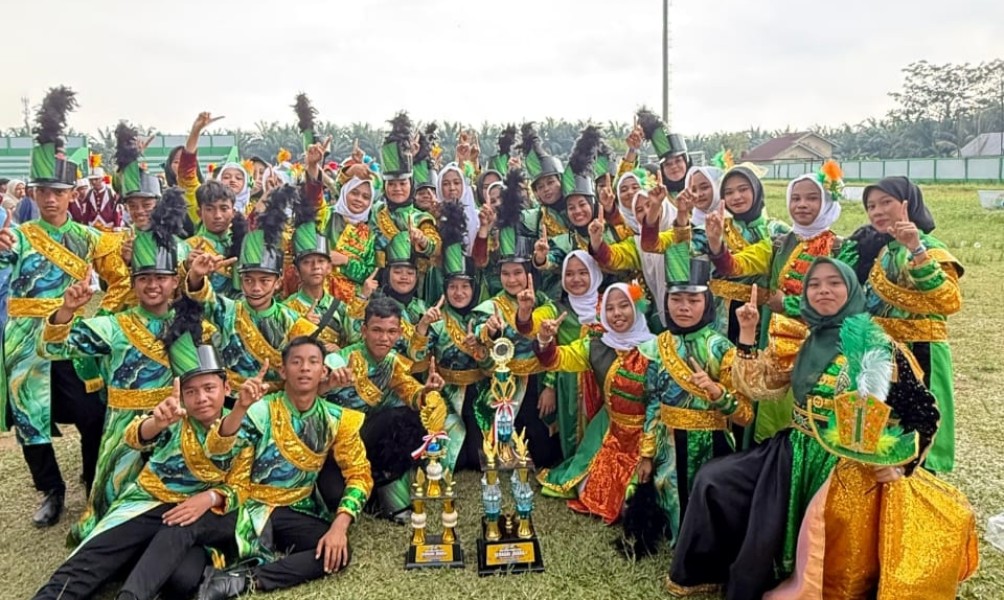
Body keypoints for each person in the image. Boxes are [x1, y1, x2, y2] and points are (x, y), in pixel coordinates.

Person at [667, 258, 978, 599]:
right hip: (793, 450)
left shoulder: (879, 346)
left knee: (828, 535)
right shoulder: (803, 340)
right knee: (715, 479)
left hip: (849, 465)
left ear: (852, 289)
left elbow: (923, 412)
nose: (823, 291)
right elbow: (758, 387)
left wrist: (901, 463)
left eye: (834, 283)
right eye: (814, 284)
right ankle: (712, 570)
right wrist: (747, 332)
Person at [134, 337, 374, 600]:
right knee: (181, 553)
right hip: (244, 507)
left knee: (337, 553)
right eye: (296, 361)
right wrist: (240, 408)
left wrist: (340, 525)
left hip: (293, 510)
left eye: (313, 362)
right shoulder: (260, 410)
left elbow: (359, 475)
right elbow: (218, 448)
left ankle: (243, 580)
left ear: (323, 371)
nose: (305, 368)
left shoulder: (338, 419)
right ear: (283, 371)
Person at [33, 309, 238, 600]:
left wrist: (210, 498)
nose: (201, 398)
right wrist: (156, 423)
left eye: (209, 388)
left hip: (201, 519)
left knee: (182, 579)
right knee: (93, 558)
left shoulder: (246, 424)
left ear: (226, 387)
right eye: (191, 391)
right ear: (181, 393)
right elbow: (135, 436)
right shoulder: (176, 418)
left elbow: (249, 486)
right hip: (149, 502)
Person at [0, 86, 130, 528]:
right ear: (33, 194)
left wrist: (103, 320)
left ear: (72, 194)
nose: (50, 199)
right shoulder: (18, 236)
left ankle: (93, 478)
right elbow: (4, 259)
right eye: (42, 191)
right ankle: (51, 490)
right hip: (24, 337)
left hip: (72, 334)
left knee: (92, 411)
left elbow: (119, 280)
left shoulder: (90, 238)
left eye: (58, 191)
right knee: (29, 416)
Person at [37, 189, 190, 545]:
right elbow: (51, 346)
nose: (153, 285)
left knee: (172, 503)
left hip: (173, 423)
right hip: (123, 425)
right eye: (144, 278)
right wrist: (66, 310)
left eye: (161, 278)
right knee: (110, 500)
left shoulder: (191, 325)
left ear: (174, 281)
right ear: (133, 283)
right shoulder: (115, 325)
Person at [707, 164, 845, 442]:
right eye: (796, 198)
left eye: (812, 198)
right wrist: (716, 244)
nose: (802, 205)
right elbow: (737, 265)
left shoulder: (841, 248)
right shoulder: (780, 243)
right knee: (770, 407)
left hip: (819, 341)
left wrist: (790, 305)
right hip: (775, 338)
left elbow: (842, 300)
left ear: (827, 201)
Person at [837, 176, 963, 474]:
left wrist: (916, 249)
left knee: (918, 428)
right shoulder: (881, 250)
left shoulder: (930, 248)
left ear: (909, 204)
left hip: (921, 353)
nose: (877, 211)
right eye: (871, 206)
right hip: (882, 352)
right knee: (884, 430)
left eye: (886, 202)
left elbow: (949, 301)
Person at [533, 283, 655, 524]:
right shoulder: (597, 345)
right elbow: (558, 359)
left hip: (650, 431)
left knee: (638, 499)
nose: (617, 313)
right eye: (610, 308)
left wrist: (648, 452)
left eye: (623, 306)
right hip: (609, 428)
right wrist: (545, 340)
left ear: (636, 307)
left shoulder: (656, 348)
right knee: (589, 490)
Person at [325, 296, 447, 521]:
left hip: (367, 436)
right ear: (364, 331)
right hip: (333, 444)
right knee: (334, 497)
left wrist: (427, 391)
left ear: (399, 333)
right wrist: (327, 383)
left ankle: (386, 486)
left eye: (391, 331)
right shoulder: (338, 360)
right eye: (377, 330)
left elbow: (410, 390)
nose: (384, 338)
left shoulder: (392, 362)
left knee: (411, 418)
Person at [184, 185, 316, 392]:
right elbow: (204, 296)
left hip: (273, 401)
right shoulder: (229, 310)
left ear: (278, 282)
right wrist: (196, 274)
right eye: (248, 280)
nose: (256, 288)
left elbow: (309, 359)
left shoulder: (291, 319)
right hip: (230, 400)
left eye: (264, 281)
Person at [471, 221, 562, 469]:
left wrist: (550, 387)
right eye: (506, 274)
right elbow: (478, 331)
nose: (511, 280)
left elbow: (554, 344)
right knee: (498, 449)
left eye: (517, 273)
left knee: (546, 455)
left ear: (528, 274)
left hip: (538, 380)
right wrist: (488, 331)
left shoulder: (543, 302)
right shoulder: (493, 305)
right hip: (505, 384)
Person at [409, 202, 490, 471]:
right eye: (453, 287)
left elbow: (494, 366)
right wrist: (422, 328)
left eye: (465, 287)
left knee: (480, 459)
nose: (459, 293)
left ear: (473, 289)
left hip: (479, 394)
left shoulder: (483, 316)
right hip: (447, 393)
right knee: (453, 460)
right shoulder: (437, 320)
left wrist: (481, 348)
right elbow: (417, 360)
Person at [301, 139, 379, 304]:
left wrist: (346, 261)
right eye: (354, 193)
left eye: (366, 197)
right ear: (344, 192)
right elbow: (313, 196)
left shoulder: (368, 233)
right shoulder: (327, 215)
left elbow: (369, 273)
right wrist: (313, 165)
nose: (359, 200)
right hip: (317, 297)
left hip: (350, 303)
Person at [181, 112, 247, 299]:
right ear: (199, 212)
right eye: (209, 209)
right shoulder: (190, 248)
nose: (217, 216)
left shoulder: (244, 237)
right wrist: (195, 132)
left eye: (224, 209)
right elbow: (187, 176)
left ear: (233, 211)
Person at [370, 112, 441, 276]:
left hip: (412, 282)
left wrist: (422, 240)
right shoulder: (376, 211)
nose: (397, 188)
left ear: (411, 185)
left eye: (402, 183)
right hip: (377, 281)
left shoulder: (420, 217)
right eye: (392, 184)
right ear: (385, 186)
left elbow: (436, 245)